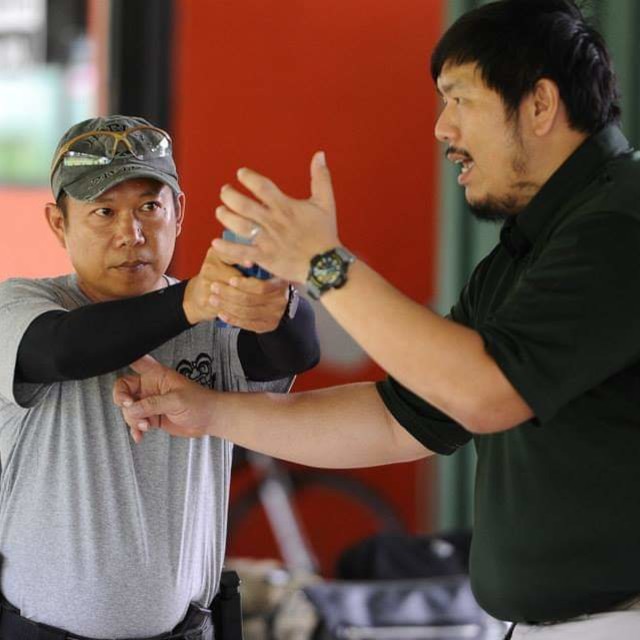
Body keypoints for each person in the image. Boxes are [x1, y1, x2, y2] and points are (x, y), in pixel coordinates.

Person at [114, 0, 640, 638]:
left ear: (539, 104)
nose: (442, 128)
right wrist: (208, 412)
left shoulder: (619, 221)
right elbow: (398, 420)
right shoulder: (527, 251)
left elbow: (488, 392)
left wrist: (323, 264)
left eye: (460, 99)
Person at [0, 115, 320, 639]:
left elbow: (295, 352)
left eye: (149, 207)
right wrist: (192, 300)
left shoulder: (210, 316)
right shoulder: (22, 305)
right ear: (59, 224)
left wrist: (278, 302)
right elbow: (63, 350)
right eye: (104, 212)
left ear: (179, 213)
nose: (131, 234)